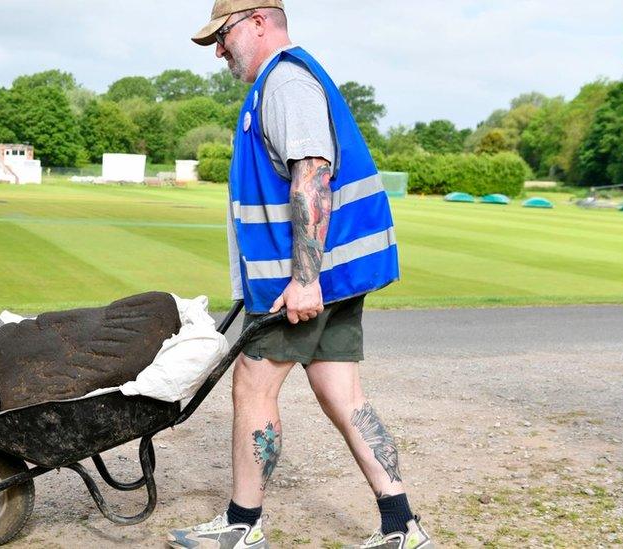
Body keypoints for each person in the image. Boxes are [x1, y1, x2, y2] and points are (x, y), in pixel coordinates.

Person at [167, 2, 434, 548]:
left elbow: (312, 173)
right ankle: (402, 525)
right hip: (335, 273)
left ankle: (243, 524)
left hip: (309, 278)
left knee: (253, 379)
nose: (219, 50)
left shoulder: (286, 83)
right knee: (340, 388)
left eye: (224, 34)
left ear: (260, 22)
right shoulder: (285, 81)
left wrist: (306, 279)